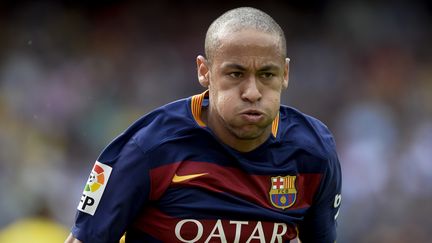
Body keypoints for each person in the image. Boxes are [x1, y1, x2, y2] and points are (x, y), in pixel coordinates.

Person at [65, 6, 342, 243]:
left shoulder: (314, 154)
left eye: (267, 74)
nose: (252, 92)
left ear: (285, 74)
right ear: (204, 72)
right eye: (235, 73)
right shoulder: (147, 149)